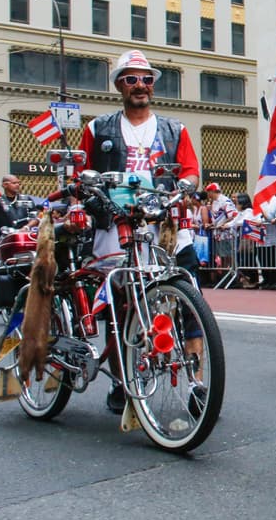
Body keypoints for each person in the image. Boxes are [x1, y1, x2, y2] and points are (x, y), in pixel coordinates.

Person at [77, 49, 200, 412]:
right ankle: (121, 382)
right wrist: (87, 193)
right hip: (115, 231)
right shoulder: (98, 129)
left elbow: (191, 172)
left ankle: (197, 385)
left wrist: (186, 186)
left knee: (191, 308)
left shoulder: (175, 129)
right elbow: (81, 175)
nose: (140, 85)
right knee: (120, 310)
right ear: (119, 85)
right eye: (131, 79)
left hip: (167, 231)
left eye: (146, 79)